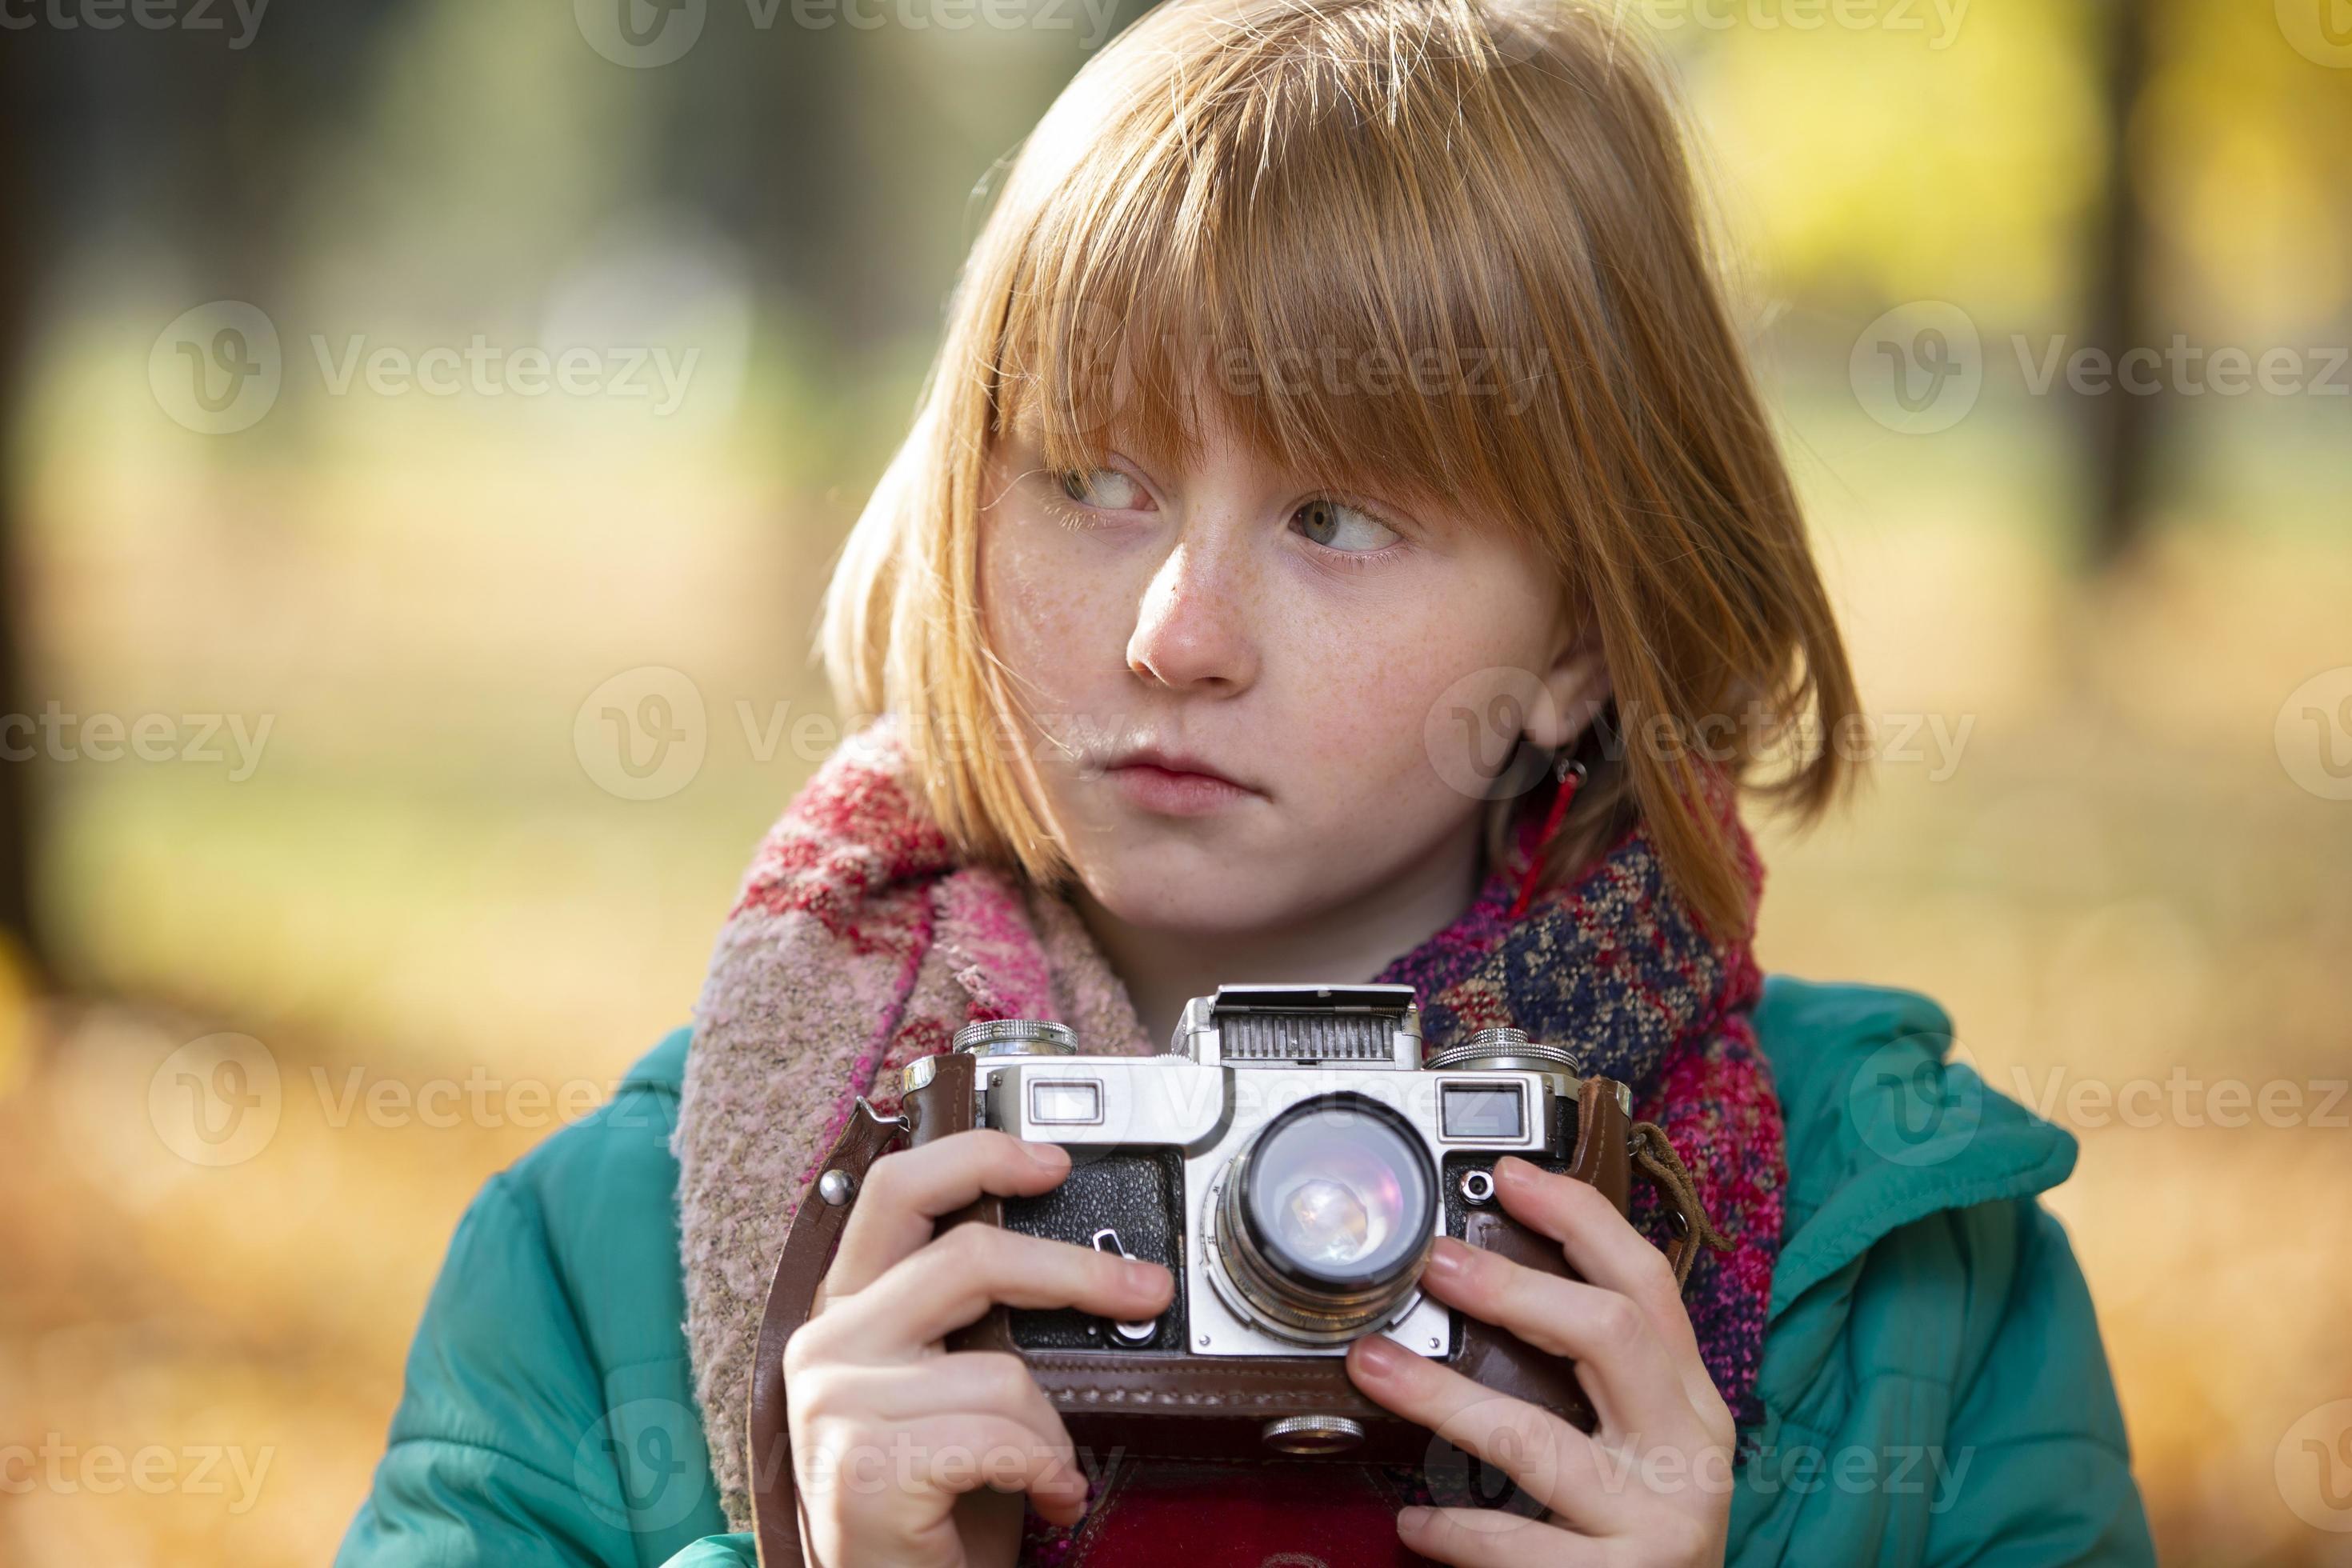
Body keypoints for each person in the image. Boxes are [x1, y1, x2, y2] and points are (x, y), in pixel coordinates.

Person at [336, 0, 2154, 1562]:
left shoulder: (1909, 1278)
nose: (1176, 631)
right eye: (1090, 478)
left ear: (1586, 638)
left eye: (1337, 516)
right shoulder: (604, 1258)